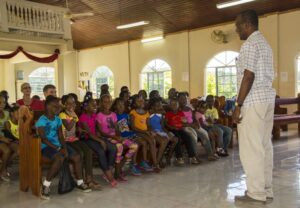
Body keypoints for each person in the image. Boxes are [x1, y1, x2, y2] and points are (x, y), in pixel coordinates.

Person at [233, 10, 276, 204]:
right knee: (265, 146)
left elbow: (248, 76)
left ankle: (256, 193)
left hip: (252, 101)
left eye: (238, 26)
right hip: (267, 99)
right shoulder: (265, 44)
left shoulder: (249, 44)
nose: (236, 30)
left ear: (247, 25)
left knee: (251, 148)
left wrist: (238, 105)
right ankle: (266, 189)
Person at [36, 96, 91, 200]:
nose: (57, 109)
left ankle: (80, 182)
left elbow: (61, 136)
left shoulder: (57, 119)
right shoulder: (42, 120)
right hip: (46, 147)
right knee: (59, 157)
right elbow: (43, 139)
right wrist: (58, 148)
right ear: (47, 106)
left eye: (58, 107)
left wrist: (64, 148)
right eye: (55, 107)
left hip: (58, 145)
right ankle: (46, 185)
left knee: (76, 156)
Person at [59, 94, 99, 188]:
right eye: (69, 103)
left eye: (73, 103)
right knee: (80, 153)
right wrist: (73, 118)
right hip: (66, 141)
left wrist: (79, 129)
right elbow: (68, 127)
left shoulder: (74, 114)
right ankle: (79, 179)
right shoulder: (62, 114)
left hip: (74, 139)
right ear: (64, 105)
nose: (72, 105)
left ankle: (89, 178)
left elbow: (74, 128)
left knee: (88, 151)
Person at [96, 94, 138, 181]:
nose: (108, 103)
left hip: (115, 137)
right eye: (105, 102)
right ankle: (116, 173)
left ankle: (118, 169)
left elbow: (116, 129)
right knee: (120, 147)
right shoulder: (99, 115)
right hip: (106, 137)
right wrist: (114, 137)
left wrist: (119, 137)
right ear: (101, 103)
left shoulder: (113, 114)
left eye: (109, 101)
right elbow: (101, 132)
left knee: (134, 146)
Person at [78, 98, 118, 187]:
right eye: (93, 105)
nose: (95, 106)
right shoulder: (83, 117)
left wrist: (100, 137)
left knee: (113, 148)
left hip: (95, 137)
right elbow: (88, 133)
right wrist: (100, 141)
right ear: (86, 107)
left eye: (96, 105)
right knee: (100, 151)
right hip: (86, 139)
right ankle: (109, 176)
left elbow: (97, 128)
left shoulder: (94, 115)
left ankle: (109, 169)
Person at [113, 98, 150, 176]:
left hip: (131, 134)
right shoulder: (114, 116)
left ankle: (143, 161)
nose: (121, 106)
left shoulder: (127, 115)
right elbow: (116, 130)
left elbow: (131, 126)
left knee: (144, 142)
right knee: (136, 144)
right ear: (115, 106)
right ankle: (133, 165)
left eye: (122, 104)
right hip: (123, 137)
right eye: (118, 104)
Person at [178, 92, 217, 161]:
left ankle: (210, 154)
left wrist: (196, 122)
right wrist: (191, 125)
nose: (184, 100)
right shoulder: (177, 109)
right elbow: (179, 123)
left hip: (192, 125)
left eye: (185, 99)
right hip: (184, 127)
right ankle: (194, 156)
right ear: (178, 100)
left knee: (204, 133)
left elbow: (194, 118)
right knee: (194, 135)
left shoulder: (189, 108)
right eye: (181, 99)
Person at [130, 95, 161, 172]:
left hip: (145, 132)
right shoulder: (133, 113)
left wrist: (150, 131)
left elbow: (148, 125)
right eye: (138, 101)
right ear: (134, 104)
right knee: (151, 141)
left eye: (142, 100)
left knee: (151, 140)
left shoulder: (146, 113)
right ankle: (155, 164)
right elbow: (133, 127)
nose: (141, 102)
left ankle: (145, 162)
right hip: (136, 132)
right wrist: (145, 132)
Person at [165, 99, 199, 165]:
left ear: (178, 106)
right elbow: (166, 123)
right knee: (177, 139)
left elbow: (184, 121)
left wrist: (187, 123)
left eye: (175, 104)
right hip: (172, 130)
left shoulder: (181, 113)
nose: (174, 106)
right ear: (169, 106)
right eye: (172, 105)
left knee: (188, 137)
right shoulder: (168, 114)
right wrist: (171, 127)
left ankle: (192, 156)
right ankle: (179, 157)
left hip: (180, 129)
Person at [148, 98, 178, 166]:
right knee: (165, 140)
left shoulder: (161, 115)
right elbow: (148, 126)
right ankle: (158, 161)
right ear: (152, 107)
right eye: (157, 106)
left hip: (161, 131)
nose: (159, 107)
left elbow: (162, 126)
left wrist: (167, 133)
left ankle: (168, 156)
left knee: (175, 140)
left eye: (160, 105)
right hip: (154, 131)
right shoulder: (150, 114)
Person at [0, 95, 13, 182]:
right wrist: (2, 138)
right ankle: (3, 171)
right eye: (0, 102)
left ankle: (3, 167)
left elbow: (10, 126)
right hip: (1, 138)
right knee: (7, 150)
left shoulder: (7, 113)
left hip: (6, 137)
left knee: (18, 149)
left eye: (4, 102)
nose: (2, 104)